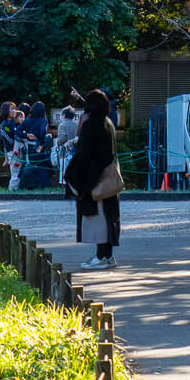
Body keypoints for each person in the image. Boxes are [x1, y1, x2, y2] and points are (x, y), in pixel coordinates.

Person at [64, 88, 120, 270]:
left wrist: (73, 175)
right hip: (109, 175)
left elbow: (85, 153)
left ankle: (101, 256)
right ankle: (108, 255)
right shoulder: (108, 123)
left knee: (99, 218)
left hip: (95, 177)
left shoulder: (91, 124)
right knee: (109, 217)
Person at [18, 100, 54, 190]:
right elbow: (43, 132)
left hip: (29, 148)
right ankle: (45, 186)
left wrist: (26, 135)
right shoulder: (43, 120)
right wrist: (41, 145)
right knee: (42, 166)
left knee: (29, 165)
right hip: (39, 147)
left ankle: (27, 186)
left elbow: (17, 131)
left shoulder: (27, 120)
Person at [52, 104, 80, 184]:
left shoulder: (62, 124)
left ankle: (63, 185)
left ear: (63, 115)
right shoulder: (77, 125)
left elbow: (62, 139)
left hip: (65, 151)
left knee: (64, 170)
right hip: (75, 151)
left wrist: (57, 143)